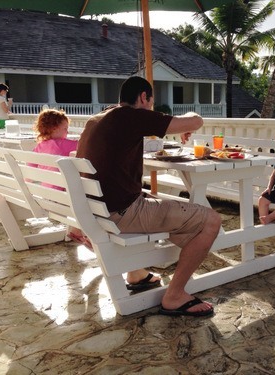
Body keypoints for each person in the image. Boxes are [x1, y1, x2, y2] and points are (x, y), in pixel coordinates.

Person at [76, 76, 221, 317]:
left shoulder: (98, 119)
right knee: (211, 221)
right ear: (144, 97)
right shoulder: (130, 116)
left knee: (160, 200)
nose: (152, 107)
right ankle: (175, 295)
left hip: (96, 210)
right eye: (151, 102)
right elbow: (196, 121)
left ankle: (137, 272)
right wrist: (186, 124)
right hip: (120, 213)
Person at [30, 109, 89, 248]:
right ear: (55, 128)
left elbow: (30, 171)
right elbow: (86, 144)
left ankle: (75, 229)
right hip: (62, 197)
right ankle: (80, 230)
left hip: (46, 195)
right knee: (88, 194)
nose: (67, 132)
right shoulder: (63, 144)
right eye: (65, 129)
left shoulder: (39, 147)